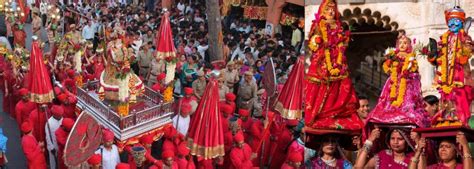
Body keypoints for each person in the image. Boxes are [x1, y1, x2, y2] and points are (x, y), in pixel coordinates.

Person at [305, 0, 362, 130]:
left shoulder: (338, 25)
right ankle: (320, 115)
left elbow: (340, 43)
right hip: (323, 60)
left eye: (333, 9)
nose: (331, 11)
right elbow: (312, 43)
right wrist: (317, 40)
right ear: (323, 11)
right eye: (328, 9)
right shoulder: (318, 24)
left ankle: (335, 113)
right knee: (321, 85)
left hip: (338, 60)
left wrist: (343, 40)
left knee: (341, 85)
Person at [366, 32, 429, 129]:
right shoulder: (393, 55)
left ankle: (404, 111)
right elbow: (387, 67)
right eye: (400, 43)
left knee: (406, 97)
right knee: (391, 96)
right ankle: (392, 109)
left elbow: (414, 68)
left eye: (405, 43)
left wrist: (409, 69)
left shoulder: (410, 56)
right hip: (394, 80)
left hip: (406, 80)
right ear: (397, 45)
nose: (402, 45)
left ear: (408, 45)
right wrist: (389, 64)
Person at [428, 6, 473, 125]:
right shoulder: (444, 39)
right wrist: (432, 54)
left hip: (460, 75)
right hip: (445, 76)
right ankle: (446, 119)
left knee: (460, 96)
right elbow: (437, 59)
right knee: (445, 96)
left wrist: (465, 46)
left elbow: (467, 54)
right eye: (451, 21)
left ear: (462, 23)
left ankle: (460, 120)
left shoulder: (465, 37)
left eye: (457, 20)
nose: (453, 23)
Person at [354, 128, 420, 169]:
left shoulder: (414, 156)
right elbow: (358, 167)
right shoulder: (383, 155)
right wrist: (369, 140)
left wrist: (418, 143)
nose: (395, 142)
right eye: (392, 138)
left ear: (407, 140)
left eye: (400, 139)